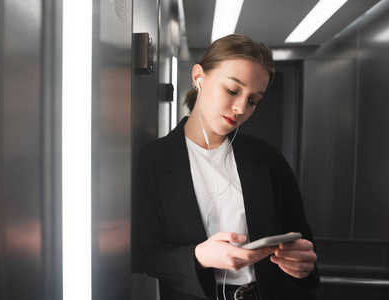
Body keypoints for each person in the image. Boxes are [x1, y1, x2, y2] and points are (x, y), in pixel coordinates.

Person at [132, 34, 320, 300]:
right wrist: (198, 256)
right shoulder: (154, 160)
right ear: (198, 76)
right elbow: (145, 255)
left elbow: (302, 241)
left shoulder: (268, 159)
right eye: (232, 90)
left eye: (253, 100)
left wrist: (302, 265)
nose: (241, 108)